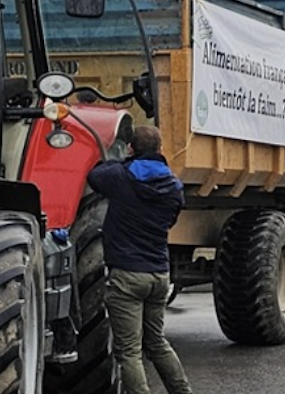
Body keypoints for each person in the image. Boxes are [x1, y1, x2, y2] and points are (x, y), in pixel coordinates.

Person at [87, 125, 193, 394]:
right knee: (156, 342)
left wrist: (123, 159)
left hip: (127, 276)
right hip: (159, 274)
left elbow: (94, 175)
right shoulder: (174, 187)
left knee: (129, 352)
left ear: (131, 149)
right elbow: (170, 220)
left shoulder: (120, 177)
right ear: (160, 151)